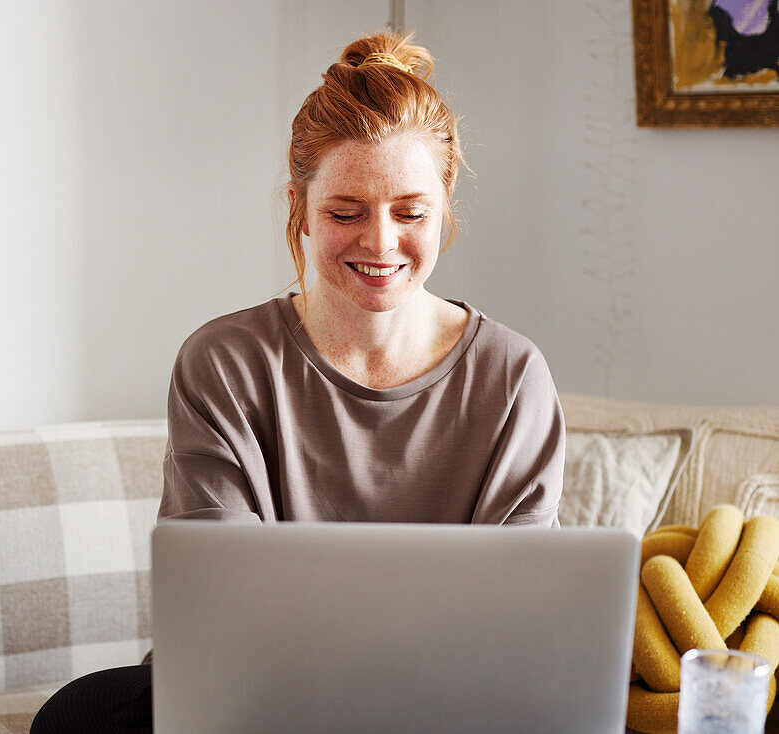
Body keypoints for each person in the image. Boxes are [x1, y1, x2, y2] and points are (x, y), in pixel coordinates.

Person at [30, 28, 564, 734]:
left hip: (443, 698)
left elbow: (516, 618)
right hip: (253, 696)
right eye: (346, 213)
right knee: (80, 714)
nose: (379, 243)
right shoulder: (223, 361)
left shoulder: (511, 376)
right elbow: (220, 600)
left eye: (410, 213)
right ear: (300, 208)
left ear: (445, 204)